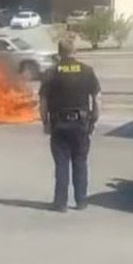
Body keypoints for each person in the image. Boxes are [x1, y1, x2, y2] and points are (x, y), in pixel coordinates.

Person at [38, 37, 101, 212]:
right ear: (74, 52)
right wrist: (93, 120)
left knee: (61, 163)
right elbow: (97, 99)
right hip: (81, 123)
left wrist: (45, 122)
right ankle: (81, 201)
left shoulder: (51, 72)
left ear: (59, 53)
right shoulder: (87, 71)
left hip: (59, 124)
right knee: (80, 162)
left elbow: (43, 101)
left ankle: (60, 203)